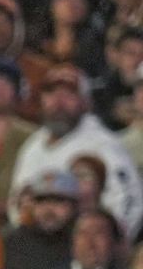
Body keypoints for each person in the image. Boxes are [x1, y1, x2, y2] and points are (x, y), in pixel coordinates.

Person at [10, 66, 143, 240]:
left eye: (68, 94)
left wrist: (111, 246)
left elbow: (130, 201)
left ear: (86, 102)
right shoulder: (33, 145)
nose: (58, 101)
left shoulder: (104, 145)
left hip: (83, 248)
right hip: (38, 246)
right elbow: (16, 201)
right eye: (51, 93)